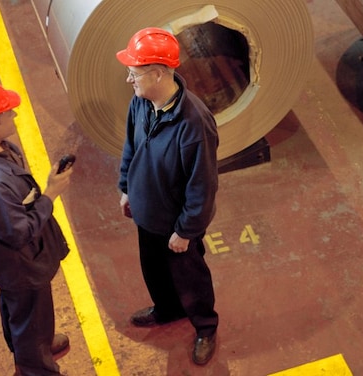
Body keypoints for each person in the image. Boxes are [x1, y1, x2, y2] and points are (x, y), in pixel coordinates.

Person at [0, 78, 74, 376]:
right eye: (8, 113)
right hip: (19, 266)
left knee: (19, 310)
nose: (15, 116)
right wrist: (50, 193)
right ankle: (34, 363)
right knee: (31, 315)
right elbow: (19, 232)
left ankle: (32, 344)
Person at [115, 27, 220, 366]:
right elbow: (130, 146)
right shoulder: (140, 103)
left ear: (157, 73)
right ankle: (167, 309)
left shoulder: (194, 124)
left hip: (176, 225)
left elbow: (202, 186)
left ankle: (205, 327)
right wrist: (126, 187)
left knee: (190, 277)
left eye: (134, 74)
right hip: (146, 213)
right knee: (154, 270)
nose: (129, 81)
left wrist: (186, 231)